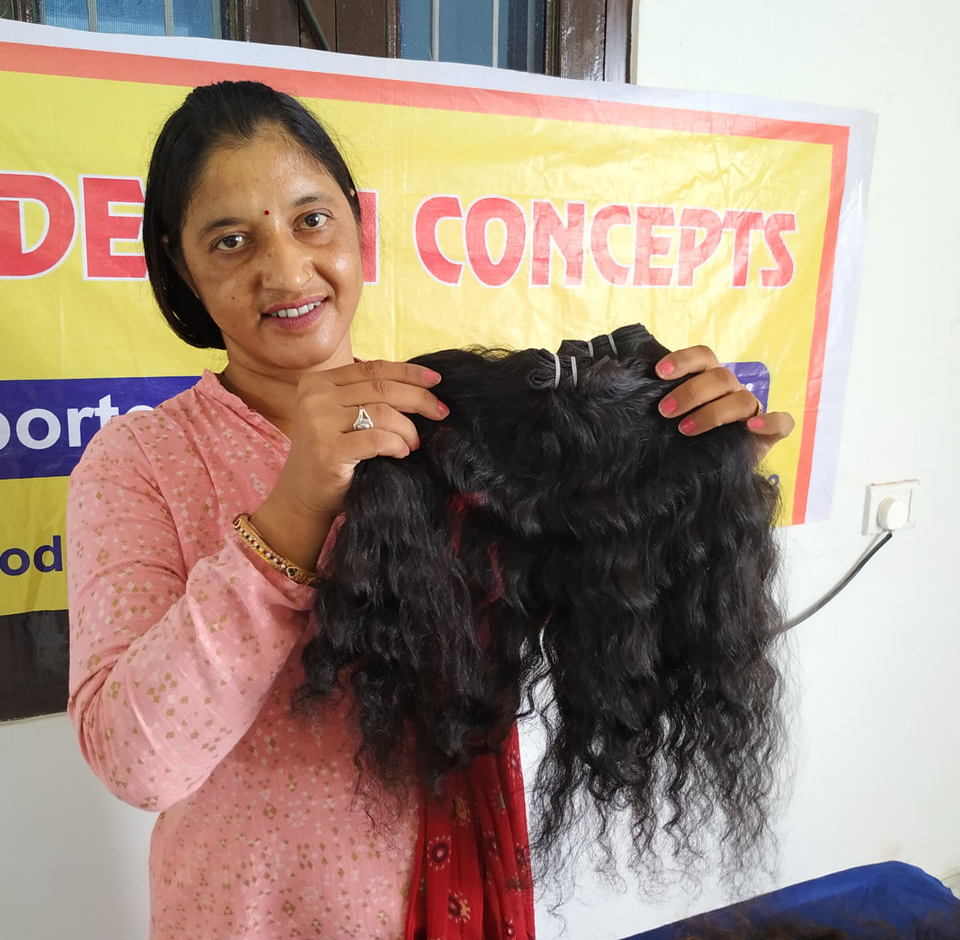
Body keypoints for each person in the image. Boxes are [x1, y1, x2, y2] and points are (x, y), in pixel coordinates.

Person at [66, 80, 795, 940]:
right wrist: (296, 505)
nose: (287, 271)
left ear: (357, 225)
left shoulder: (456, 431)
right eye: (232, 240)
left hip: (459, 898)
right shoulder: (141, 461)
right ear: (180, 266)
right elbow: (138, 764)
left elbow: (601, 630)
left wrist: (689, 483)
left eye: (311, 220)